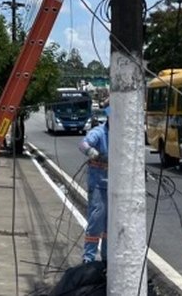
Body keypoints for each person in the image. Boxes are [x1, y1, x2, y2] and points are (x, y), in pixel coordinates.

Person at [78, 106, 109, 263]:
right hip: (98, 183)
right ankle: (88, 258)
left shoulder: (122, 135)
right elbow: (83, 144)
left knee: (110, 225)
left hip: (115, 187)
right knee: (97, 219)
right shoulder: (99, 133)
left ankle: (106, 259)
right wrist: (92, 153)